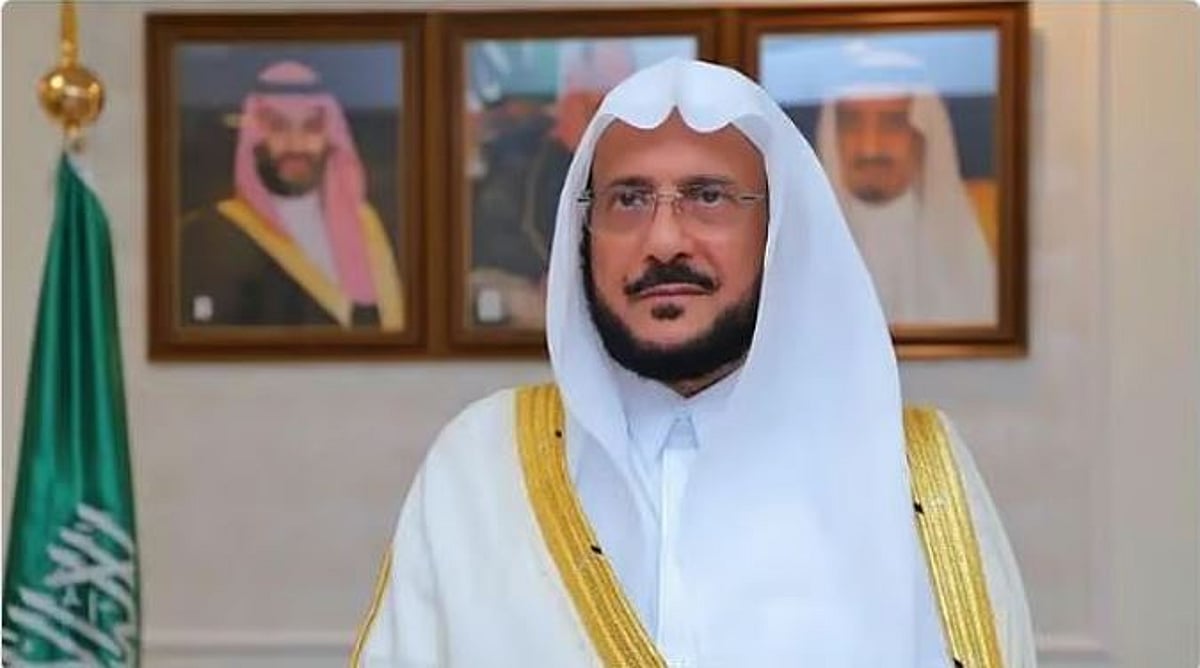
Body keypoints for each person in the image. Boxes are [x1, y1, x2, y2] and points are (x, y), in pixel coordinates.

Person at [352, 59, 1034, 666]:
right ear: (584, 231)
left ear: (777, 230)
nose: (663, 240)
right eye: (628, 199)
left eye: (708, 196)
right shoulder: (480, 465)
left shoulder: (913, 472)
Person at [179, 60, 404, 329]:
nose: (296, 145)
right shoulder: (209, 234)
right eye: (278, 127)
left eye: (311, 127)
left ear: (331, 136)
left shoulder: (375, 226)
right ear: (256, 137)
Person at [816, 42, 996, 326]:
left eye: (892, 123)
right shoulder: (794, 252)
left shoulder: (979, 237)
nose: (870, 148)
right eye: (851, 123)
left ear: (924, 136)